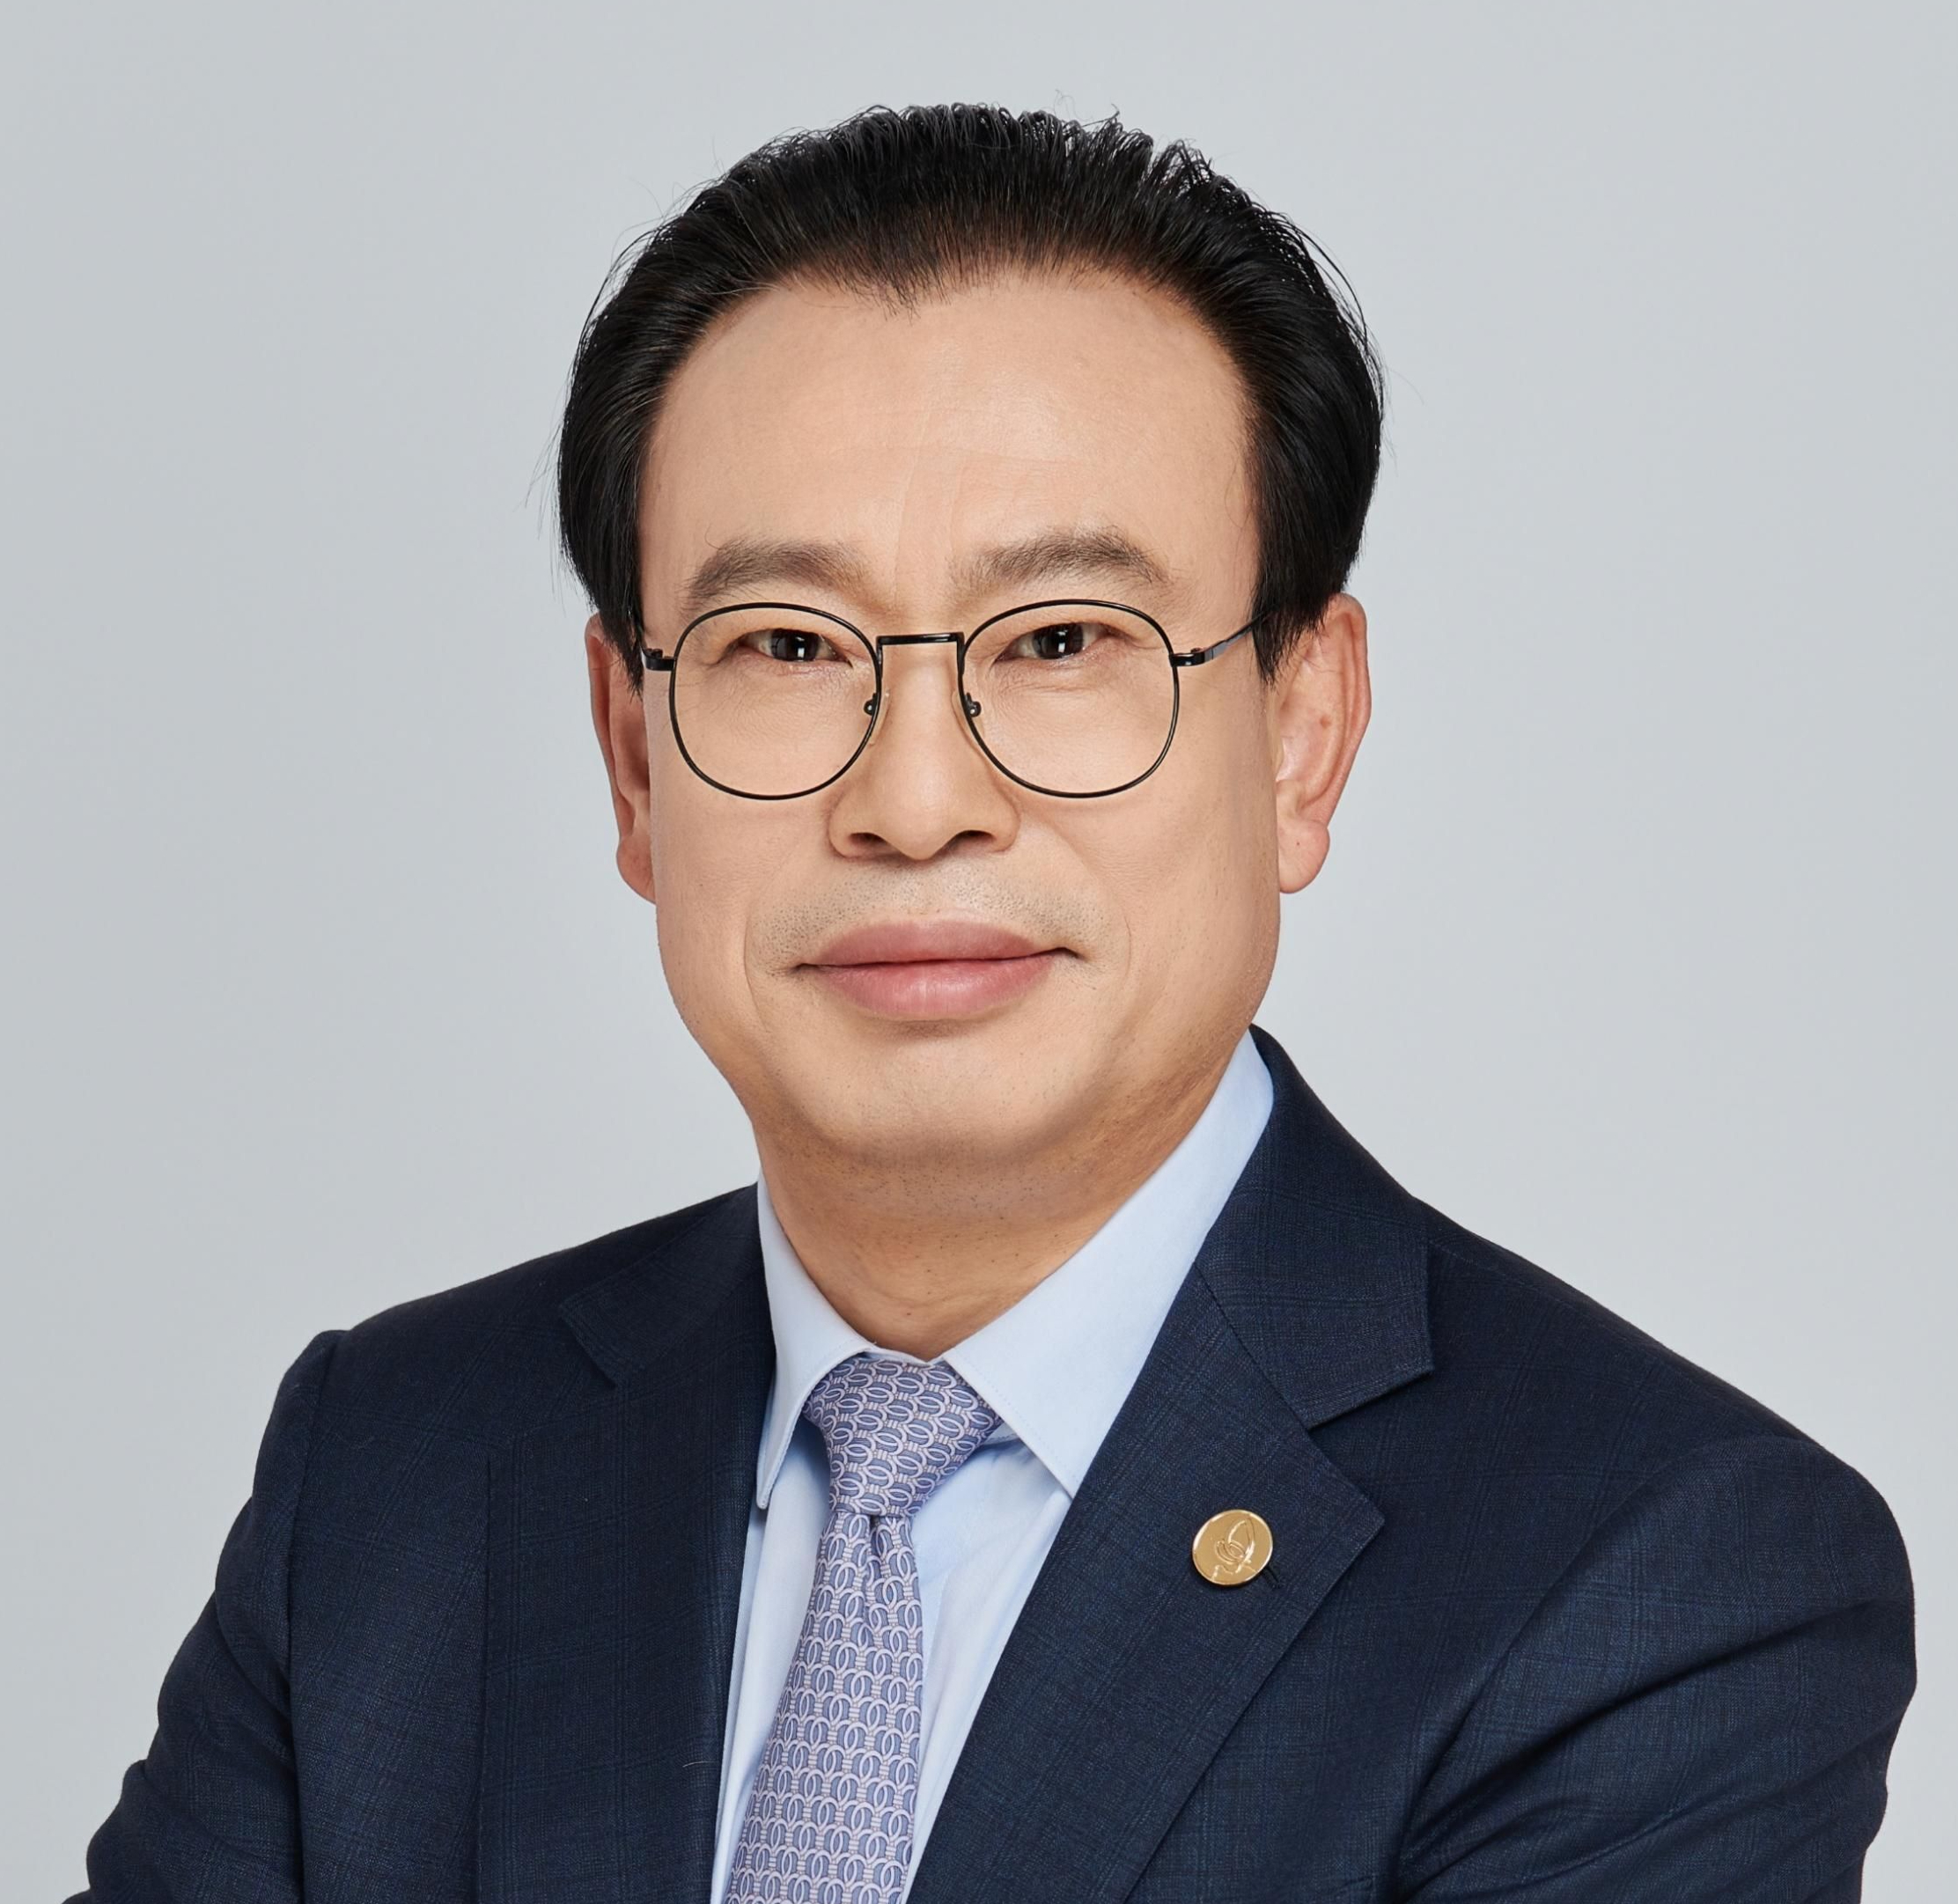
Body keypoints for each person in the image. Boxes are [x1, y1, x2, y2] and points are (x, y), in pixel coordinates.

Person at [73, 105, 1915, 1903]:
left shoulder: (1653, 1574)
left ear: (1300, 732)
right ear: (633, 758)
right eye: (785, 646)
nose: (915, 796)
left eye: (1060, 641)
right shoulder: (397, 1470)